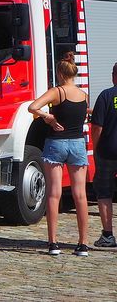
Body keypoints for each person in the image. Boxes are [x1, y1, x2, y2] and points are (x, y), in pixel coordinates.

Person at [27, 51, 90, 256]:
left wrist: (48, 117)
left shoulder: (57, 92)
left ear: (61, 74)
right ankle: (83, 244)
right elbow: (86, 111)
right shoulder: (83, 95)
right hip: (78, 144)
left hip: (56, 143)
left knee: (54, 194)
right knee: (80, 195)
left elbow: (32, 107)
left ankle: (53, 243)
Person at [90, 62, 117, 248]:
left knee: (105, 191)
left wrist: (96, 148)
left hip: (108, 151)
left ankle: (108, 235)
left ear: (114, 76)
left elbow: (97, 127)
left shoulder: (106, 96)